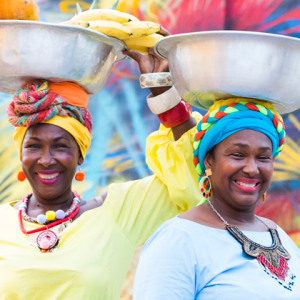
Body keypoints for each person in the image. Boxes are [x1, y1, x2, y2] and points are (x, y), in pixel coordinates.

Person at [0, 46, 202, 300]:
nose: (46, 159)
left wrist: (164, 94)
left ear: (80, 154)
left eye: (61, 146)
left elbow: (194, 175)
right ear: (21, 155)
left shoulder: (117, 214)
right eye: (33, 146)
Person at [133, 98, 300, 299]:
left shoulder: (278, 235)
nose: (251, 168)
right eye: (237, 154)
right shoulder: (178, 240)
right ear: (208, 160)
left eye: (263, 157)